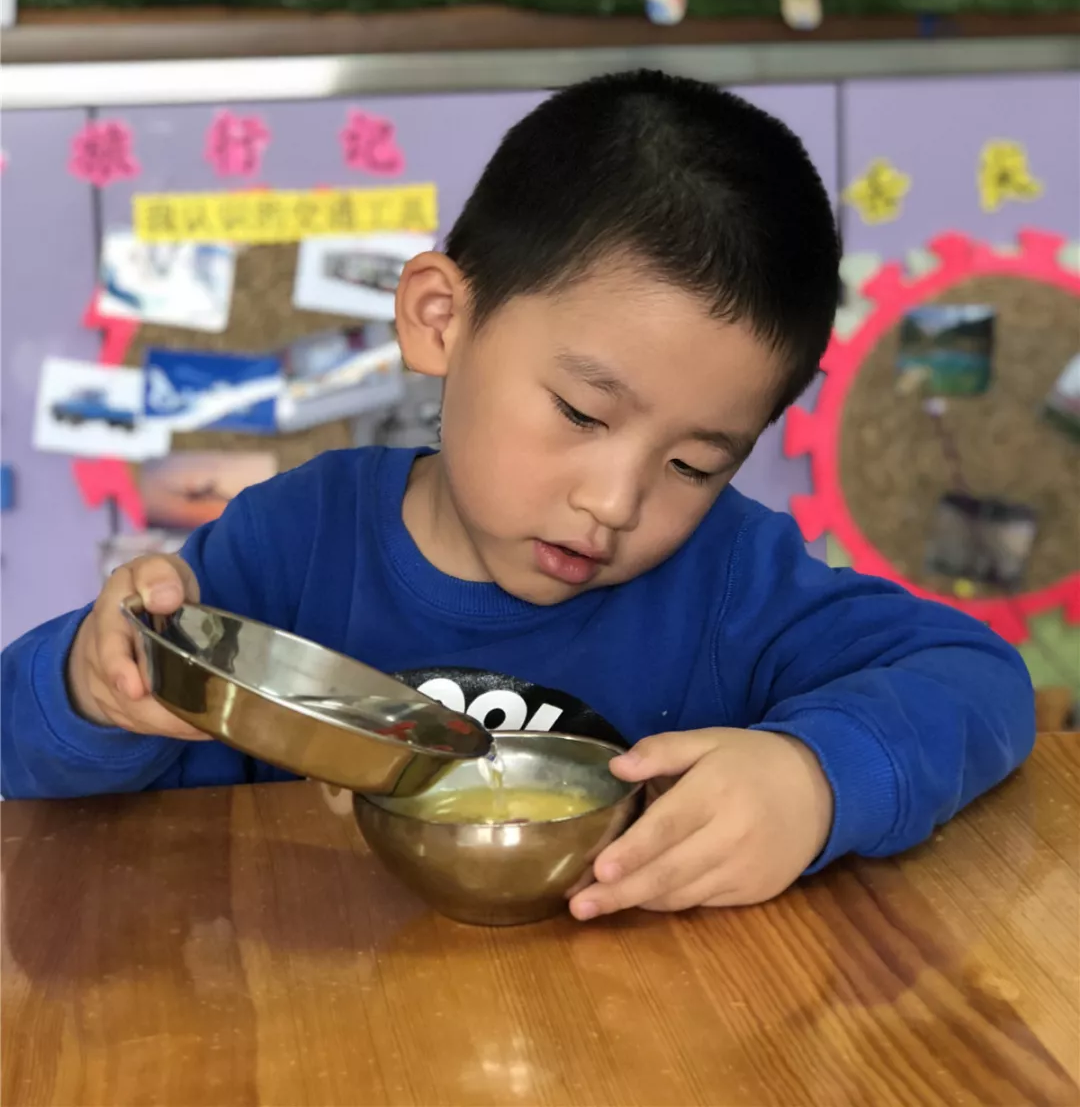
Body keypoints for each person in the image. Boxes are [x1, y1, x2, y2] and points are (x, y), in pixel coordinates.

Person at [1, 71, 1034, 921]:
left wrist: (815, 778)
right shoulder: (292, 545)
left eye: (695, 464)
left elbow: (977, 678)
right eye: (584, 415)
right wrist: (95, 692)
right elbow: (24, 752)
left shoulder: (732, 579)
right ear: (441, 319)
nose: (619, 501)